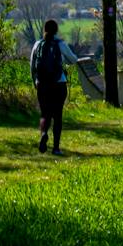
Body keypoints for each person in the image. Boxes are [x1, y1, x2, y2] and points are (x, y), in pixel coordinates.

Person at [30, 20, 81, 155]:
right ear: (56, 30)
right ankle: (56, 148)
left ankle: (44, 134)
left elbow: (32, 66)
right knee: (57, 115)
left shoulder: (37, 44)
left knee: (44, 113)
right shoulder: (60, 44)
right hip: (59, 84)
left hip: (42, 84)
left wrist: (35, 82)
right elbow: (74, 60)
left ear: (44, 29)